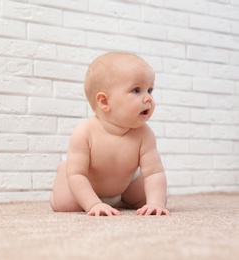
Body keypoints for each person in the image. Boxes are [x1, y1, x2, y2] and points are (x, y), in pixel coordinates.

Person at [50, 52, 169, 216]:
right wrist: (93, 205)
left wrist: (156, 203)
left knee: (148, 198)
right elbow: (77, 174)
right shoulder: (85, 132)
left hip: (124, 182)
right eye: (136, 90)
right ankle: (63, 172)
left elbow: (154, 172)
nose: (148, 98)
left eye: (150, 90)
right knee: (66, 204)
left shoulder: (144, 134)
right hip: (82, 180)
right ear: (105, 102)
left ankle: (120, 198)